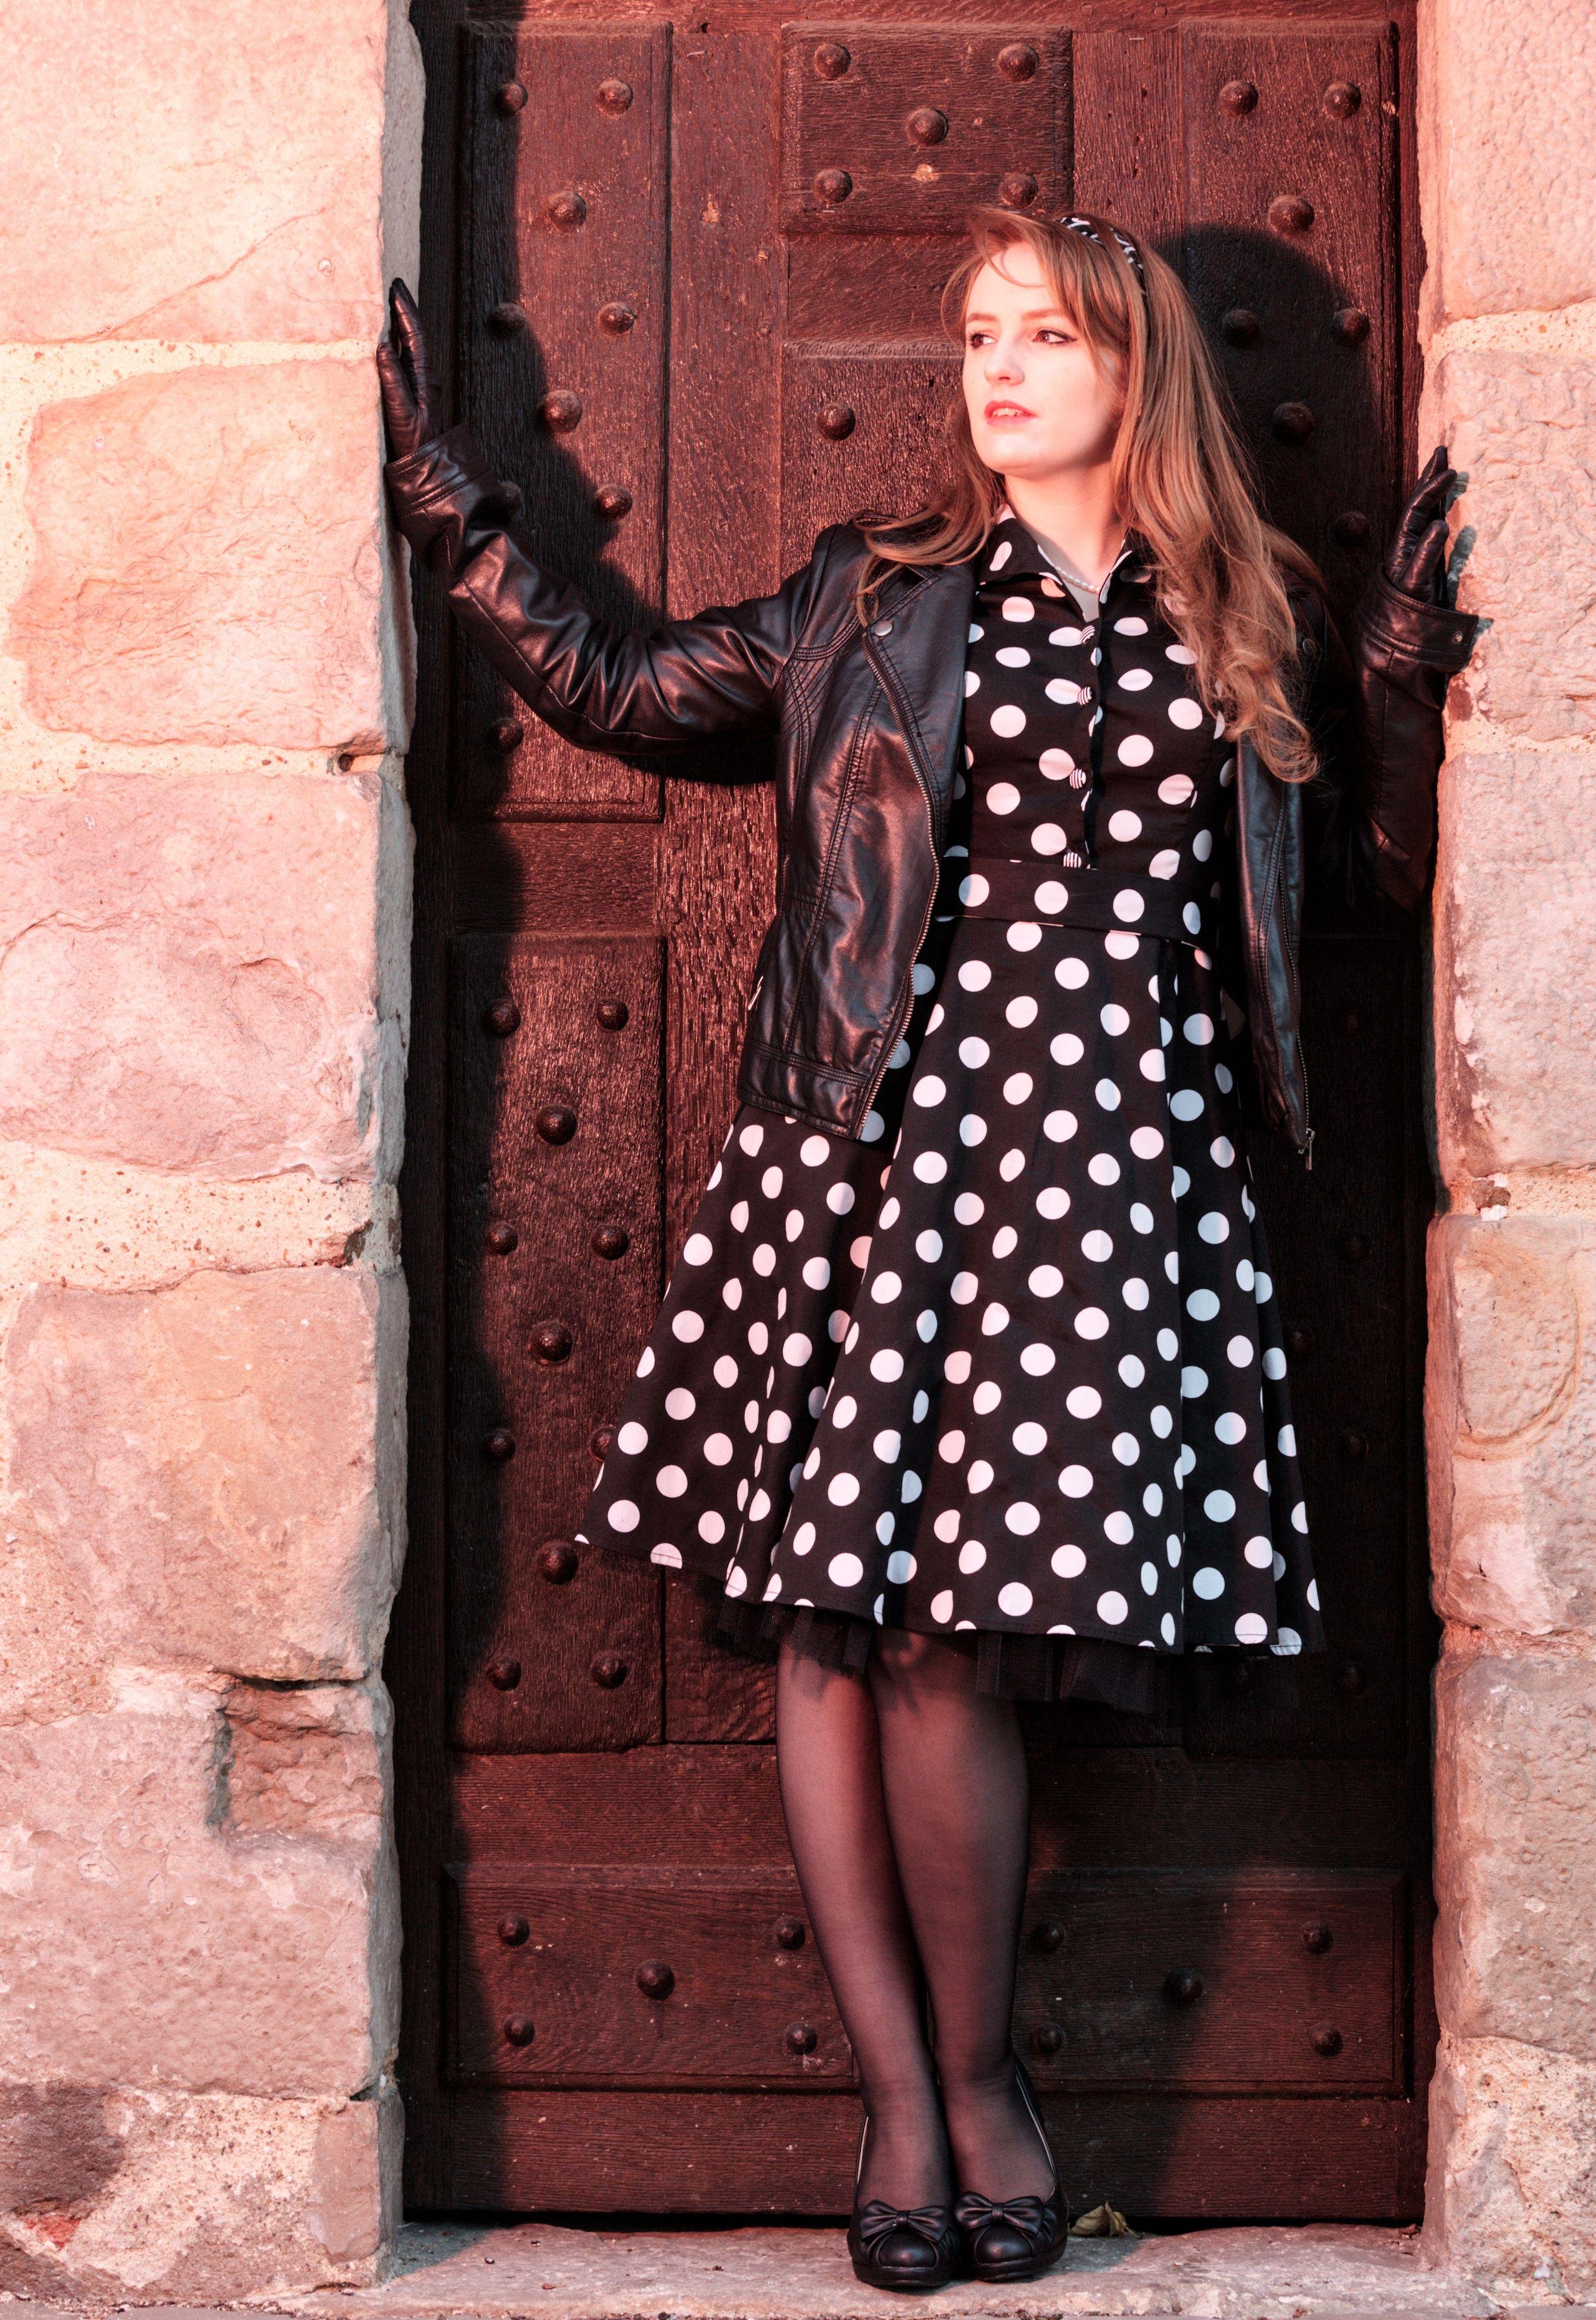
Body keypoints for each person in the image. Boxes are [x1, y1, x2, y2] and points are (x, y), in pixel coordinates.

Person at [379, 207, 1475, 2293]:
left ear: (1133, 365)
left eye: (1041, 333)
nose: (996, 366)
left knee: (953, 1633)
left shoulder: (1241, 616)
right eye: (977, 332)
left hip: (1116, 1192)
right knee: (837, 1624)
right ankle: (913, 2107)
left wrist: (1401, 679)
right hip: (872, 1152)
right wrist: (461, 514)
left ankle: (986, 2096)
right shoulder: (872, 605)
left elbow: (1354, 881)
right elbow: (620, 689)